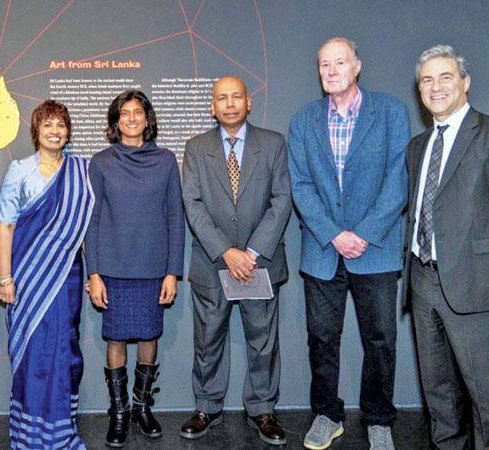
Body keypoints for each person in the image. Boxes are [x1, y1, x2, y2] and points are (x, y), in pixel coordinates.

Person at [404, 44, 489, 450]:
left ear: (465, 82)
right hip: (423, 283)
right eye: (427, 80)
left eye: (446, 77)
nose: (436, 86)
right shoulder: (417, 147)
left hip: (481, 290)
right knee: (440, 400)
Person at [287, 37, 409, 450]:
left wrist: (364, 233)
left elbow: (398, 180)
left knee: (380, 340)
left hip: (376, 250)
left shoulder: (391, 112)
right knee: (321, 339)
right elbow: (300, 186)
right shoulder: (303, 121)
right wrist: (334, 233)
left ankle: (378, 419)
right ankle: (326, 414)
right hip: (322, 251)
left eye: (340, 62)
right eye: (324, 65)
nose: (331, 70)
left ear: (357, 66)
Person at [180, 76, 292, 446]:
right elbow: (192, 205)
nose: (229, 104)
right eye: (221, 98)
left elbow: (281, 200)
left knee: (262, 342)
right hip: (213, 263)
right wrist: (226, 251)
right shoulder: (196, 148)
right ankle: (206, 407)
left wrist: (251, 253)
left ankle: (262, 410)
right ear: (212, 106)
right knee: (208, 339)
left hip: (259, 262)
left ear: (249, 103)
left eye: (236, 97)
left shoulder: (273, 144)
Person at [85, 89, 185, 447]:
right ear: (116, 121)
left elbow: (176, 217)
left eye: (137, 112)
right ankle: (119, 413)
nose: (131, 118)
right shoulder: (100, 162)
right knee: (115, 338)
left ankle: (142, 407)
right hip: (112, 268)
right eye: (124, 113)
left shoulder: (166, 160)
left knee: (148, 337)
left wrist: (173, 272)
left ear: (147, 118)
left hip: (153, 268)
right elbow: (91, 222)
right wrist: (93, 273)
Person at [0, 100, 94, 449]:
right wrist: (5, 280)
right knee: (33, 353)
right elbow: (5, 226)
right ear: (35, 131)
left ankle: (60, 431)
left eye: (61, 125)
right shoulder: (19, 171)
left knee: (64, 352)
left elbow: (85, 229)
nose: (55, 131)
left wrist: (92, 273)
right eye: (47, 125)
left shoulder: (82, 171)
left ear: (68, 131)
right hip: (27, 278)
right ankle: (29, 434)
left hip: (66, 277)